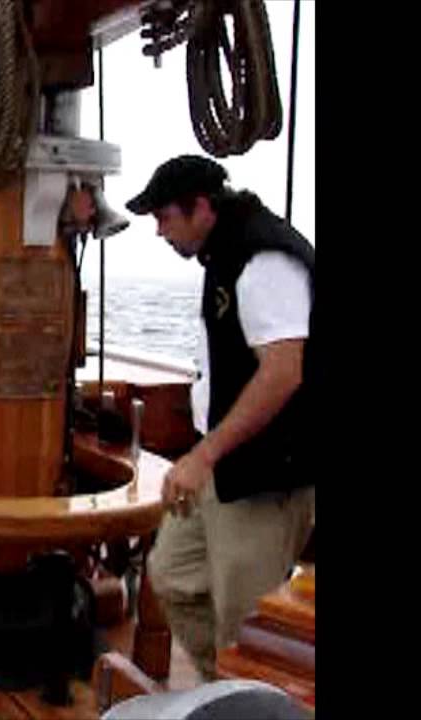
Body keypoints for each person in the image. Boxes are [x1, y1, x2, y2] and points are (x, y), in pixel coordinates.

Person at [124, 155, 315, 681]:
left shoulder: (264, 260)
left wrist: (203, 455)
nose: (160, 231)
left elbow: (283, 372)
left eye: (164, 218)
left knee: (244, 623)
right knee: (171, 574)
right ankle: (226, 690)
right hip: (223, 467)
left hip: (264, 475)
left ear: (200, 207)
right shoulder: (225, 253)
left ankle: (248, 697)